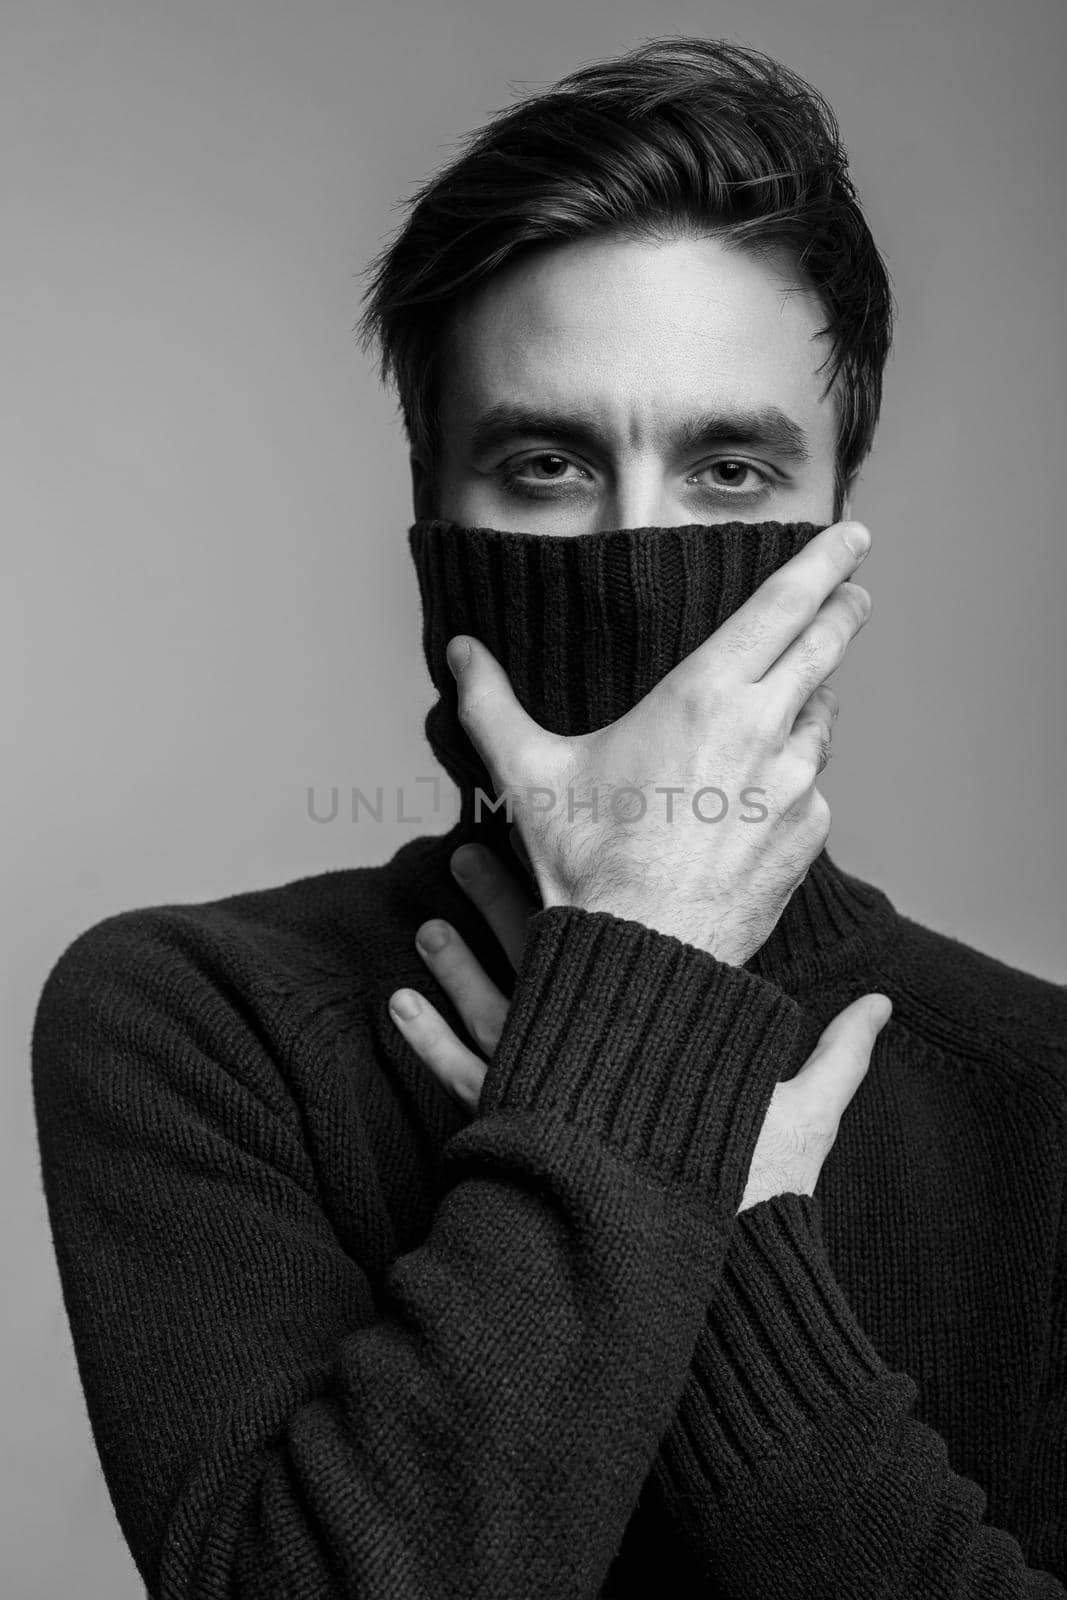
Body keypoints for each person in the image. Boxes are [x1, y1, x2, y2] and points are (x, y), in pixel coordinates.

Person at [31, 35, 1066, 1600]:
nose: (637, 541)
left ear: (841, 528)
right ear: (432, 519)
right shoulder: (201, 1025)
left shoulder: (1042, 1101)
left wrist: (723, 1243)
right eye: (544, 463)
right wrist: (646, 954)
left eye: (730, 468)